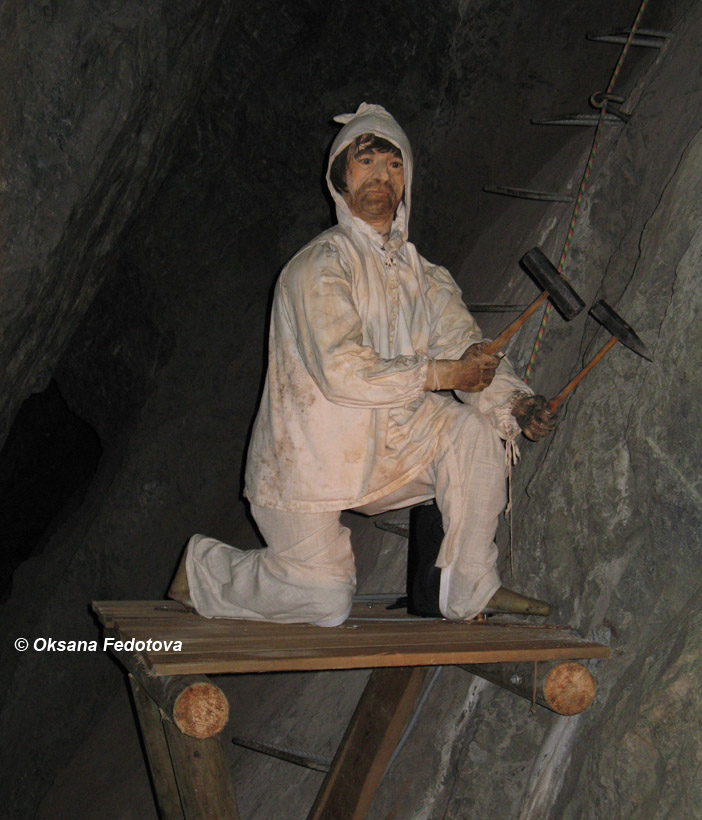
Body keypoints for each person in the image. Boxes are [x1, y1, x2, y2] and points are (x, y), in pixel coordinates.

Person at [168, 103, 556, 625]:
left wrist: (516, 400)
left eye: (394, 165)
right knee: (324, 601)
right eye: (366, 161)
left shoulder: (425, 276)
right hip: (307, 459)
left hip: (393, 442)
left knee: (475, 432)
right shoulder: (316, 267)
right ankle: (206, 572)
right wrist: (441, 374)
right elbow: (342, 369)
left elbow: (467, 349)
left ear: (407, 179)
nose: (381, 176)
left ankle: (466, 588)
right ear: (339, 176)